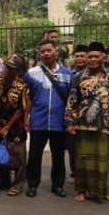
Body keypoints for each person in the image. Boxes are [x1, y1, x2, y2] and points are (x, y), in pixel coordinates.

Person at [65, 42, 109, 203]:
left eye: (96, 56)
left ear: (103, 58)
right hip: (83, 124)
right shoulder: (79, 77)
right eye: (90, 56)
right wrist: (70, 122)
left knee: (102, 159)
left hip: (105, 125)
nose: (92, 59)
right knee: (83, 159)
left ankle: (102, 192)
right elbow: (72, 101)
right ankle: (81, 191)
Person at [24, 40, 74, 197]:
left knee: (58, 156)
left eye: (48, 50)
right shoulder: (31, 74)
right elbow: (28, 98)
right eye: (42, 51)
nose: (45, 54)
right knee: (34, 155)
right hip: (38, 121)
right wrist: (26, 118)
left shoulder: (68, 74)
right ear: (39, 54)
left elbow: (72, 100)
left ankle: (58, 185)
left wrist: (70, 121)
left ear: (56, 51)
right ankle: (32, 185)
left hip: (59, 122)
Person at [0, 54, 30, 196]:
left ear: (18, 71)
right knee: (2, 152)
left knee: (18, 154)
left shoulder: (22, 86)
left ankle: (18, 185)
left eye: (11, 68)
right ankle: (4, 182)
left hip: (15, 126)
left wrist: (7, 127)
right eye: (6, 66)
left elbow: (21, 110)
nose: (7, 69)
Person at [66, 44, 89, 184]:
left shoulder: (97, 73)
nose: (79, 58)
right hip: (73, 116)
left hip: (89, 118)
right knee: (72, 147)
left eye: (82, 56)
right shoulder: (69, 74)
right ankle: (74, 172)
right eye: (77, 56)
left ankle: (88, 173)